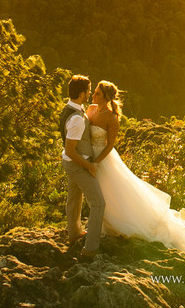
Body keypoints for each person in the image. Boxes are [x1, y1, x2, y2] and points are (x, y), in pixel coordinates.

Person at [85, 80, 185, 251]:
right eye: (94, 92)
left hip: (102, 159)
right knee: (96, 192)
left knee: (108, 192)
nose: (93, 95)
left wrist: (96, 162)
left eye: (97, 93)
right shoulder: (91, 109)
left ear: (106, 97)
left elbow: (110, 145)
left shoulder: (112, 118)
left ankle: (110, 225)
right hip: (87, 155)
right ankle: (100, 224)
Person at [60, 74, 104, 258]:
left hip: (70, 164)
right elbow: (70, 150)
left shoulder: (69, 108)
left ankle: (74, 233)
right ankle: (91, 248)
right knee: (98, 203)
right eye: (88, 91)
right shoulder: (77, 119)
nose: (89, 94)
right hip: (77, 165)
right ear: (81, 93)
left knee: (74, 198)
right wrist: (89, 166)